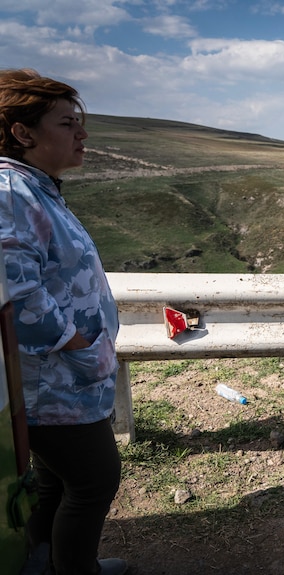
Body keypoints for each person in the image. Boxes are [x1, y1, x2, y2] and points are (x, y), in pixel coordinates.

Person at [0, 69, 126, 574]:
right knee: (95, 481)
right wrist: (73, 340)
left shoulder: (33, 187)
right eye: (68, 123)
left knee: (54, 480)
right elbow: (16, 291)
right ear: (23, 133)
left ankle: (45, 563)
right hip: (50, 382)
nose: (82, 134)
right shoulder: (10, 191)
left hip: (60, 378)